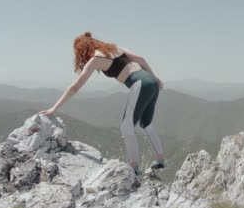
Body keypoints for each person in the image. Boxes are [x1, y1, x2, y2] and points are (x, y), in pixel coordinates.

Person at [39, 31, 166, 175]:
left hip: (139, 83)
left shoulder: (96, 59)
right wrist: (154, 77)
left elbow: (75, 87)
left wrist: (54, 108)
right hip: (150, 81)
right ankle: (160, 162)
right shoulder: (115, 48)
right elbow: (141, 59)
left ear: (82, 50)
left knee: (126, 127)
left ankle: (134, 170)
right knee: (146, 124)